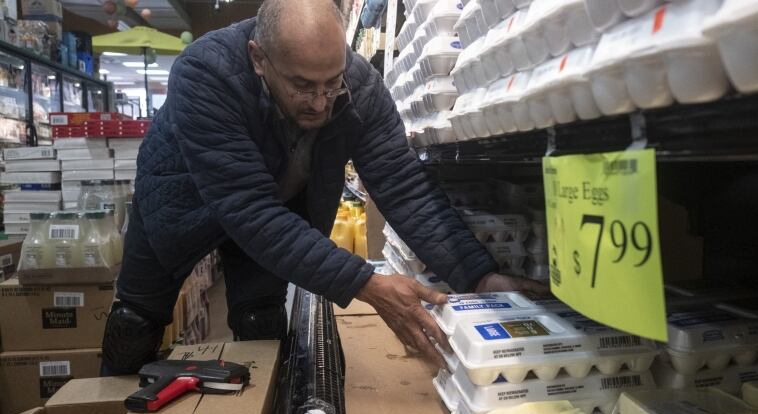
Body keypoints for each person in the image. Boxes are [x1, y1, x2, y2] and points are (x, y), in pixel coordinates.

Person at [100, 0, 546, 375]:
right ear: (258, 58)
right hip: (183, 199)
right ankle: (99, 411)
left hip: (275, 205)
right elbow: (246, 209)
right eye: (302, 86)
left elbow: (404, 186)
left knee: (261, 319)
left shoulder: (360, 84)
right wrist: (366, 284)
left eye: (331, 84)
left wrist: (479, 274)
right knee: (135, 319)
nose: (320, 102)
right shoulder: (205, 72)